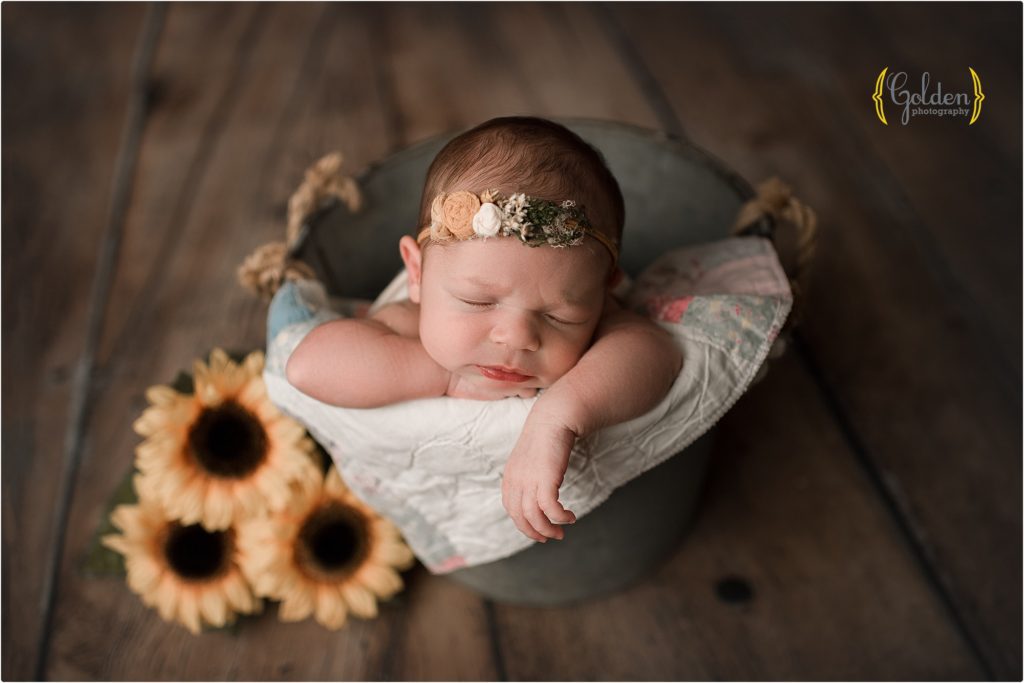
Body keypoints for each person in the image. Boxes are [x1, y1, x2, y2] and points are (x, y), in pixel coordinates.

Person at [286, 116, 682, 545]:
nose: (516, 338)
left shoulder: (600, 315)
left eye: (557, 317)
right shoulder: (405, 324)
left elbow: (656, 353)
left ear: (605, 291)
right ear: (416, 273)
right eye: (479, 302)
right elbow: (307, 366)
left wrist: (558, 417)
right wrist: (446, 375)